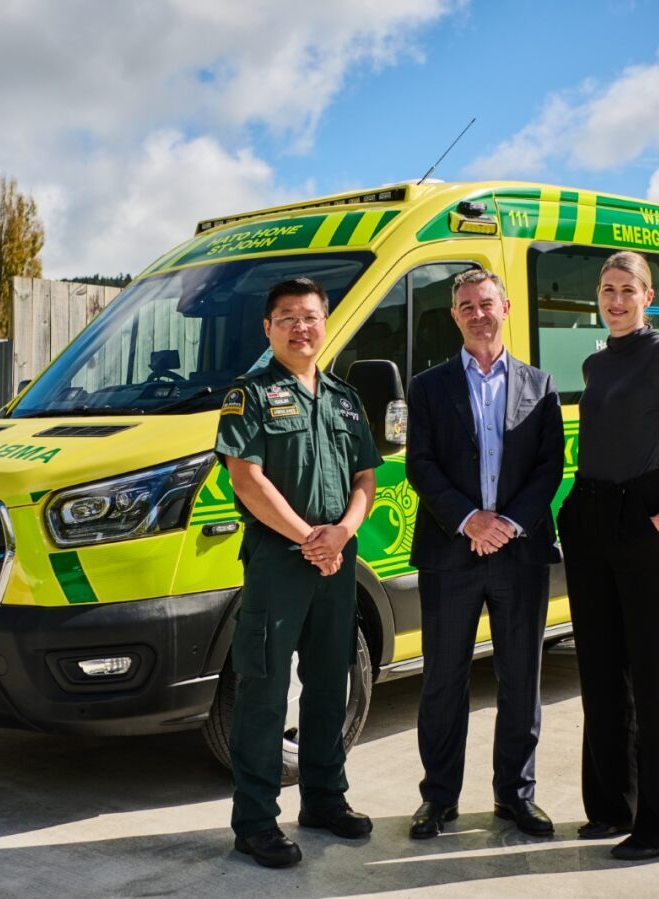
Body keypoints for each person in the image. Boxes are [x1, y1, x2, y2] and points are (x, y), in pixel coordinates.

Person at [555, 250, 659, 861]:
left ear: (648, 296)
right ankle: (611, 807)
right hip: (591, 519)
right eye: (606, 288)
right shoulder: (597, 363)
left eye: (628, 288)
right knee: (600, 673)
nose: (615, 298)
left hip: (647, 520)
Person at [215, 276, 383, 868]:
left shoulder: (344, 397)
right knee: (263, 690)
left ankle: (324, 801)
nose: (300, 326)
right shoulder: (251, 394)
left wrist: (341, 533)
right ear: (269, 328)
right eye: (287, 317)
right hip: (279, 562)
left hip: (337, 559)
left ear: (325, 322)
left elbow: (366, 476)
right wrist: (309, 537)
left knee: (330, 683)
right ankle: (256, 822)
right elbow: (246, 478)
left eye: (310, 316)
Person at [404, 268, 565, 839]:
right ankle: (438, 800)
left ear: (507, 308)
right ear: (454, 316)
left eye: (486, 303)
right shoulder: (427, 387)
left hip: (519, 555)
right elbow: (419, 465)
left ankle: (516, 797)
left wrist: (510, 524)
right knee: (443, 682)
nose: (477, 313)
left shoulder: (539, 386)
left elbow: (551, 466)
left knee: (521, 680)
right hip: (451, 554)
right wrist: (471, 520)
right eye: (466, 305)